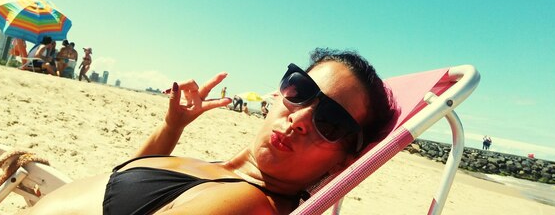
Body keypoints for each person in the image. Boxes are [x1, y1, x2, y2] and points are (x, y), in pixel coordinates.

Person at [24, 48, 395, 215]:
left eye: (330, 123)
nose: (299, 119)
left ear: (341, 166)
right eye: (301, 92)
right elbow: (124, 190)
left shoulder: (245, 203)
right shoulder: (234, 174)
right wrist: (172, 128)